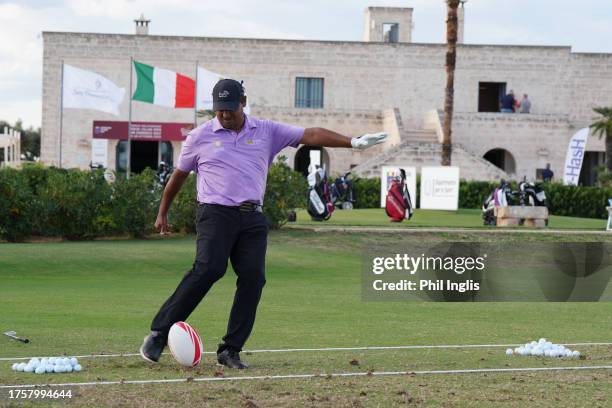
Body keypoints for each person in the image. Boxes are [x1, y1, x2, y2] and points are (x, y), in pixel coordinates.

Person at [139, 78, 387, 369]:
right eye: (220, 109)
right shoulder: (199, 137)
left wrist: (352, 142)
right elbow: (178, 177)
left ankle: (230, 350)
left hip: (252, 217)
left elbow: (311, 134)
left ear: (243, 102)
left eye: (230, 108)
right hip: (215, 214)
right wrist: (163, 212)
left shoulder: (267, 131)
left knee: (254, 279)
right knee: (209, 268)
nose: (225, 115)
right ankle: (158, 333)